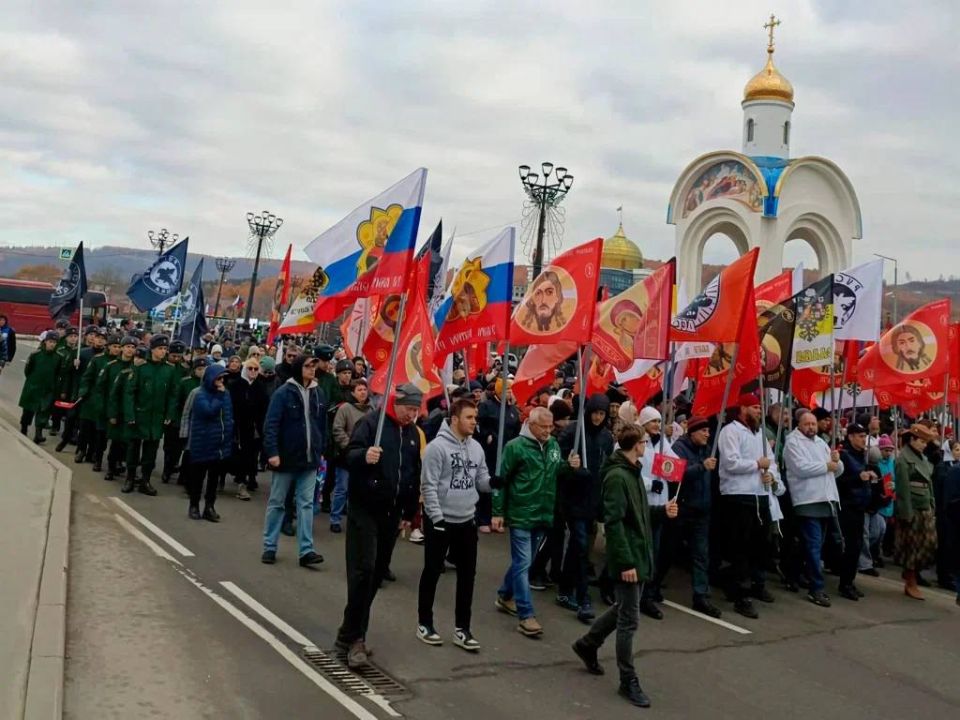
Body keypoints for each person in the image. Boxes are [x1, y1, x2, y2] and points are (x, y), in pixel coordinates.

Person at [572, 425, 673, 709]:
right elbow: (614, 522)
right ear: (636, 444)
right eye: (643, 441)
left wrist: (662, 511)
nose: (646, 445)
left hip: (639, 553)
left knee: (624, 609)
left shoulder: (632, 471)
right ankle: (627, 679)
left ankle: (588, 643)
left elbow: (638, 513)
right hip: (628, 557)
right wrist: (625, 562)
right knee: (630, 620)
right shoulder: (618, 476)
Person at [336, 383, 423, 669]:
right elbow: (347, 455)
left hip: (392, 512)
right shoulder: (371, 423)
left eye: (416, 409)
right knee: (364, 570)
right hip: (365, 508)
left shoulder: (411, 433)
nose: (412, 414)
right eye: (409, 408)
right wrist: (363, 456)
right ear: (396, 403)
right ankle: (356, 638)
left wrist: (410, 512)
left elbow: (412, 473)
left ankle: (348, 634)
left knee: (376, 575)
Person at [493, 406, 574, 638]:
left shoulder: (553, 446)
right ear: (530, 423)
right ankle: (526, 615)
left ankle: (504, 595)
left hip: (542, 514)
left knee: (523, 561)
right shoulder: (515, 447)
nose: (548, 431)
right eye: (543, 427)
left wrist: (570, 466)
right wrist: (497, 512)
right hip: (520, 513)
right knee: (524, 562)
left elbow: (556, 471)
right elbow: (501, 480)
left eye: (551, 427)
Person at [417, 398, 490, 651]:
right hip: (441, 521)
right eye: (470, 417)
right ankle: (425, 623)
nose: (474, 422)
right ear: (455, 419)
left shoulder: (477, 448)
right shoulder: (437, 448)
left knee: (468, 576)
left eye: (475, 418)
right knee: (433, 571)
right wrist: (436, 518)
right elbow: (429, 485)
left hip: (466, 520)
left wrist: (496, 483)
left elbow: (481, 481)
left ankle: (463, 629)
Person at [716, 393, 781, 619]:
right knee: (740, 547)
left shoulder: (761, 434)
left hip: (759, 495)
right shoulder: (730, 431)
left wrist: (770, 474)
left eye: (759, 407)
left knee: (759, 545)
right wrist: (756, 464)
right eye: (754, 407)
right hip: (738, 495)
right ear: (742, 408)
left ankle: (753, 584)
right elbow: (730, 463)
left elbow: (771, 461)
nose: (758, 411)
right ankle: (741, 595)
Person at [260, 351, 326, 567]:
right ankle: (269, 546)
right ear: (299, 368)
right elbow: (271, 424)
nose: (312, 370)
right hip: (286, 458)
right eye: (308, 366)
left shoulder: (318, 393)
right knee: (277, 503)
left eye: (313, 366)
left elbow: (321, 425)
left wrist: (320, 449)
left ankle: (306, 551)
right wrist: (272, 453)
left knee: (306, 504)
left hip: (309, 459)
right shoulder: (283, 393)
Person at [555, 394, 613, 623]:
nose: (598, 417)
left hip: (593, 498)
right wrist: (573, 468)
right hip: (573, 497)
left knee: (579, 548)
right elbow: (558, 460)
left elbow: (607, 464)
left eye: (602, 413)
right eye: (595, 412)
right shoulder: (572, 431)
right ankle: (583, 597)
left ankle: (564, 589)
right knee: (579, 543)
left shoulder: (607, 437)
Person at [661, 416, 722, 617]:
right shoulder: (678, 449)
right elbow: (675, 474)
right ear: (693, 432)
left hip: (701, 510)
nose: (707, 434)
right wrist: (701, 467)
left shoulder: (707, 449)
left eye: (708, 431)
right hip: (682, 508)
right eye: (703, 431)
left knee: (701, 555)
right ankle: (652, 585)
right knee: (668, 550)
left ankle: (701, 596)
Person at [783, 411, 844, 607]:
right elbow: (801, 468)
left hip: (826, 499)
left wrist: (837, 461)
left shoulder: (820, 442)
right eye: (807, 424)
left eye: (813, 424)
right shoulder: (793, 442)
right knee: (813, 544)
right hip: (807, 499)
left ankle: (793, 574)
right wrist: (827, 465)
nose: (811, 427)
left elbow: (836, 470)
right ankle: (816, 587)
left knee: (810, 545)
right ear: (799, 424)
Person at [122, 335, 179, 496]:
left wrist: (169, 413)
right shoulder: (140, 367)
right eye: (160, 348)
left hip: (157, 417)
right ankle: (130, 478)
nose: (163, 352)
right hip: (140, 414)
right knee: (133, 448)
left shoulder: (169, 369)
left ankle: (145, 480)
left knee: (151, 451)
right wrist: (130, 414)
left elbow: (173, 394)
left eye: (165, 349)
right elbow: (130, 393)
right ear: (152, 349)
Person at [636, 405, 677, 620]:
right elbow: (630, 471)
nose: (657, 426)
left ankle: (647, 595)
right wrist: (651, 484)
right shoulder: (635, 441)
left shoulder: (662, 443)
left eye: (659, 422)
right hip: (641, 503)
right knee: (639, 548)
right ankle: (612, 584)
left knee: (655, 550)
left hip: (660, 506)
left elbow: (674, 466)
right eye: (653, 421)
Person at [895, 423, 939, 600]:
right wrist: (906, 513)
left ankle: (911, 574)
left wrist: (932, 503)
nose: (924, 445)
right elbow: (903, 489)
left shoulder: (923, 458)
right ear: (912, 439)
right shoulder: (903, 459)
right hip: (912, 507)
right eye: (921, 441)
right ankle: (911, 580)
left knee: (930, 544)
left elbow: (929, 483)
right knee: (912, 547)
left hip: (925, 505)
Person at [187, 364, 234, 521]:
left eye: (223, 378)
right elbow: (208, 411)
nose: (221, 382)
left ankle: (209, 506)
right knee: (198, 477)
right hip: (203, 441)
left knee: (213, 480)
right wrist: (219, 397)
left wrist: (229, 433)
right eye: (218, 378)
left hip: (220, 444)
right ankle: (194, 505)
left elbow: (227, 415)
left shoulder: (225, 394)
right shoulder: (200, 394)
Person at [835, 423, 875, 601]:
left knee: (857, 545)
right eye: (859, 436)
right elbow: (839, 480)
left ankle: (849, 581)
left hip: (860, 505)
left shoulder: (861, 456)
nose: (863, 439)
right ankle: (844, 583)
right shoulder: (844, 455)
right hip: (848, 505)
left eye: (864, 436)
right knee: (851, 546)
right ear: (850, 436)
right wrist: (857, 478)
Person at [476, 377, 521, 532]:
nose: (509, 393)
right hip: (490, 452)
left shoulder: (513, 410)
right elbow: (479, 425)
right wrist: (487, 435)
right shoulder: (487, 406)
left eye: (510, 390)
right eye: (506, 390)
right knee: (488, 484)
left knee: (503, 484)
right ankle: (483, 519)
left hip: (507, 453)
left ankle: (499, 518)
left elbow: (516, 430)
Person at [330, 378, 373, 533]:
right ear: (353, 392)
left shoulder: (371, 410)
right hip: (347, 456)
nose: (363, 392)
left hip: (364, 457)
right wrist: (349, 447)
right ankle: (335, 518)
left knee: (360, 489)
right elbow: (338, 429)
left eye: (364, 389)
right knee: (342, 488)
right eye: (359, 390)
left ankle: (355, 518)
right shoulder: (345, 408)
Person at [229, 357, 268, 500]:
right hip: (239, 427)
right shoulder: (236, 385)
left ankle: (248, 480)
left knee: (251, 456)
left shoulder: (260, 387)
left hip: (255, 428)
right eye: (250, 368)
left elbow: (265, 407)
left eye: (256, 369)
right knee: (240, 455)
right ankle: (241, 483)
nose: (253, 371)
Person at [103, 336, 138, 481]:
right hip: (117, 410)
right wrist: (112, 413)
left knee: (127, 443)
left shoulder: (136, 367)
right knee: (116, 442)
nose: (130, 350)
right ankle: (111, 469)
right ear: (122, 348)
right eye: (128, 346)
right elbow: (111, 392)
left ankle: (121, 465)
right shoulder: (113, 366)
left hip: (130, 411)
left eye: (133, 347)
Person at [19, 331, 62, 443]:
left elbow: (58, 373)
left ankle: (38, 434)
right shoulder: (35, 355)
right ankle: (24, 428)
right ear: (45, 342)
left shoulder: (58, 357)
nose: (52, 344)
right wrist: (32, 381)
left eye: (54, 342)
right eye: (50, 341)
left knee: (43, 412)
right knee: (28, 410)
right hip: (33, 386)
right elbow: (27, 370)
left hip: (47, 389)